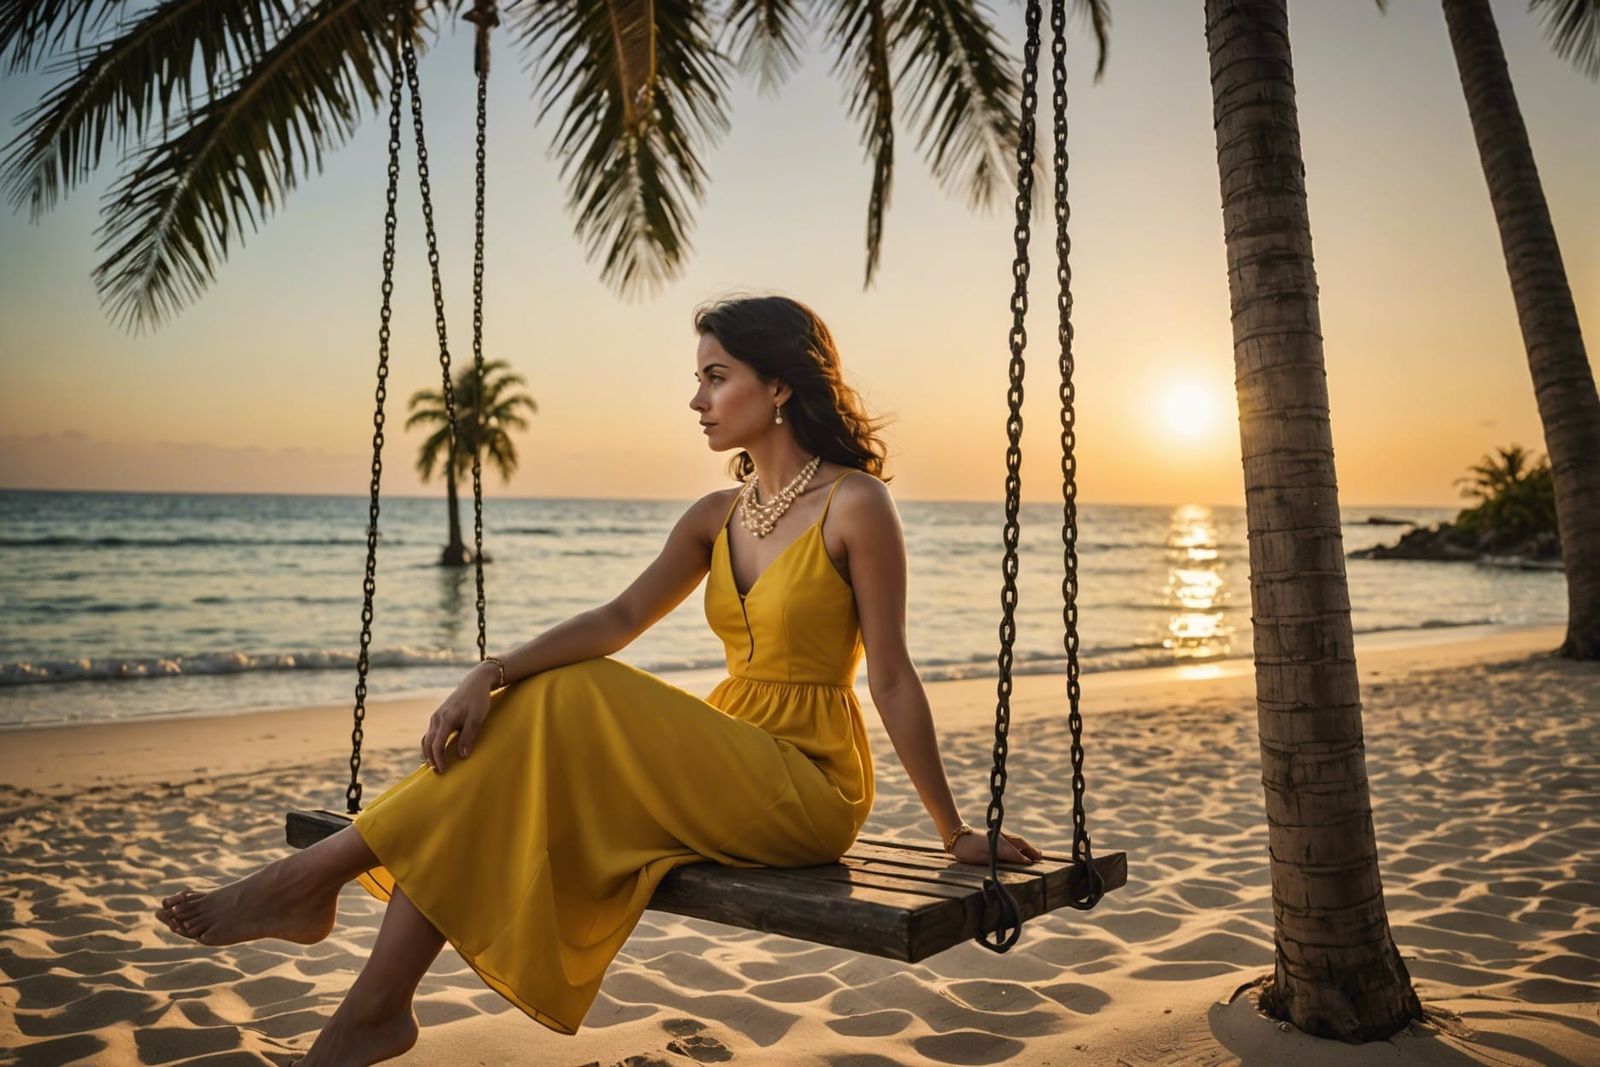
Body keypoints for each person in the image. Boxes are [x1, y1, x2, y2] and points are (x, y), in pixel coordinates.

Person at [154, 294, 1043, 1065]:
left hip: (807, 784)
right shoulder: (714, 516)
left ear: (779, 386)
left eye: (717, 376)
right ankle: (374, 1008)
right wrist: (489, 671)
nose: (696, 399)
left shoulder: (856, 503)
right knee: (499, 760)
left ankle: (308, 882)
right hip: (721, 760)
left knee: (570, 689)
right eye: (698, 378)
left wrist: (953, 829)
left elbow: (892, 677)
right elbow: (617, 619)